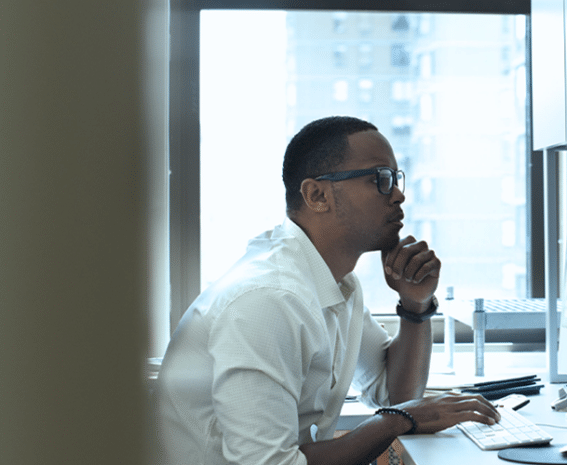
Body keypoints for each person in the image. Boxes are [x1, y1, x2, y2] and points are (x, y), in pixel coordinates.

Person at [155, 116, 500, 465]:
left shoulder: (337, 283)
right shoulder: (268, 300)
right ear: (317, 195)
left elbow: (396, 395)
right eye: (380, 179)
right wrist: (394, 422)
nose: (399, 194)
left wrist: (415, 305)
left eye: (395, 178)